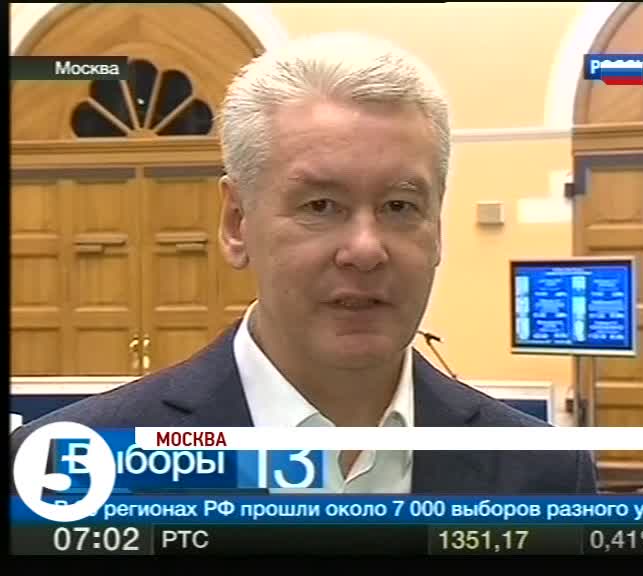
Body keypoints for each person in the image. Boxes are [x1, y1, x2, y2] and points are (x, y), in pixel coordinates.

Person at [10, 32, 596, 495]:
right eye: (320, 206)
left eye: (399, 206)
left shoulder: (543, 471)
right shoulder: (72, 468)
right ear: (237, 223)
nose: (365, 249)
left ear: (437, 228)